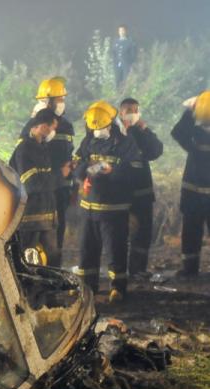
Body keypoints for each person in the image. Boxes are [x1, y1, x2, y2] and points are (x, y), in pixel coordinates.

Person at [74, 102, 141, 302]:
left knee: (116, 249)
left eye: (100, 128)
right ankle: (88, 288)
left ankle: (117, 288)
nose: (97, 132)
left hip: (114, 208)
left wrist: (114, 172)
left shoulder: (125, 144)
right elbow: (78, 164)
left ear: (110, 125)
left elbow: (136, 171)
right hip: (89, 208)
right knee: (87, 250)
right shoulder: (87, 142)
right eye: (93, 129)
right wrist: (83, 175)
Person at [20, 77, 75, 259]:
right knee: (34, 244)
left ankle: (53, 274)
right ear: (47, 102)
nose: (62, 103)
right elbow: (28, 163)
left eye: (62, 99)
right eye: (59, 99)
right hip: (40, 194)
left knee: (55, 237)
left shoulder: (65, 126)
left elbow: (67, 155)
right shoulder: (32, 129)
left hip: (60, 190)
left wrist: (70, 184)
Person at [10, 108, 66, 267]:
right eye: (52, 128)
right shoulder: (24, 150)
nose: (53, 132)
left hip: (46, 216)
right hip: (30, 219)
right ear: (42, 126)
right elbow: (32, 184)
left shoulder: (41, 147)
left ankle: (51, 290)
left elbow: (44, 177)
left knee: (52, 257)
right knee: (30, 258)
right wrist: (60, 175)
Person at [118, 98, 163, 276]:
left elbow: (156, 151)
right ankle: (119, 269)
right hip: (120, 193)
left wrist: (145, 130)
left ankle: (138, 269)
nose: (132, 113)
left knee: (143, 232)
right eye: (129, 109)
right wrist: (125, 132)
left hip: (143, 192)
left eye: (136, 110)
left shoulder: (141, 131)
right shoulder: (114, 132)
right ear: (121, 112)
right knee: (120, 233)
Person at [171, 90, 210, 277]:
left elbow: (178, 133)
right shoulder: (194, 132)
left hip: (194, 192)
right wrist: (191, 111)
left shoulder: (193, 134)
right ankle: (189, 268)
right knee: (190, 232)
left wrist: (189, 111)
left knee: (191, 231)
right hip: (193, 192)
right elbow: (177, 132)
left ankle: (189, 268)